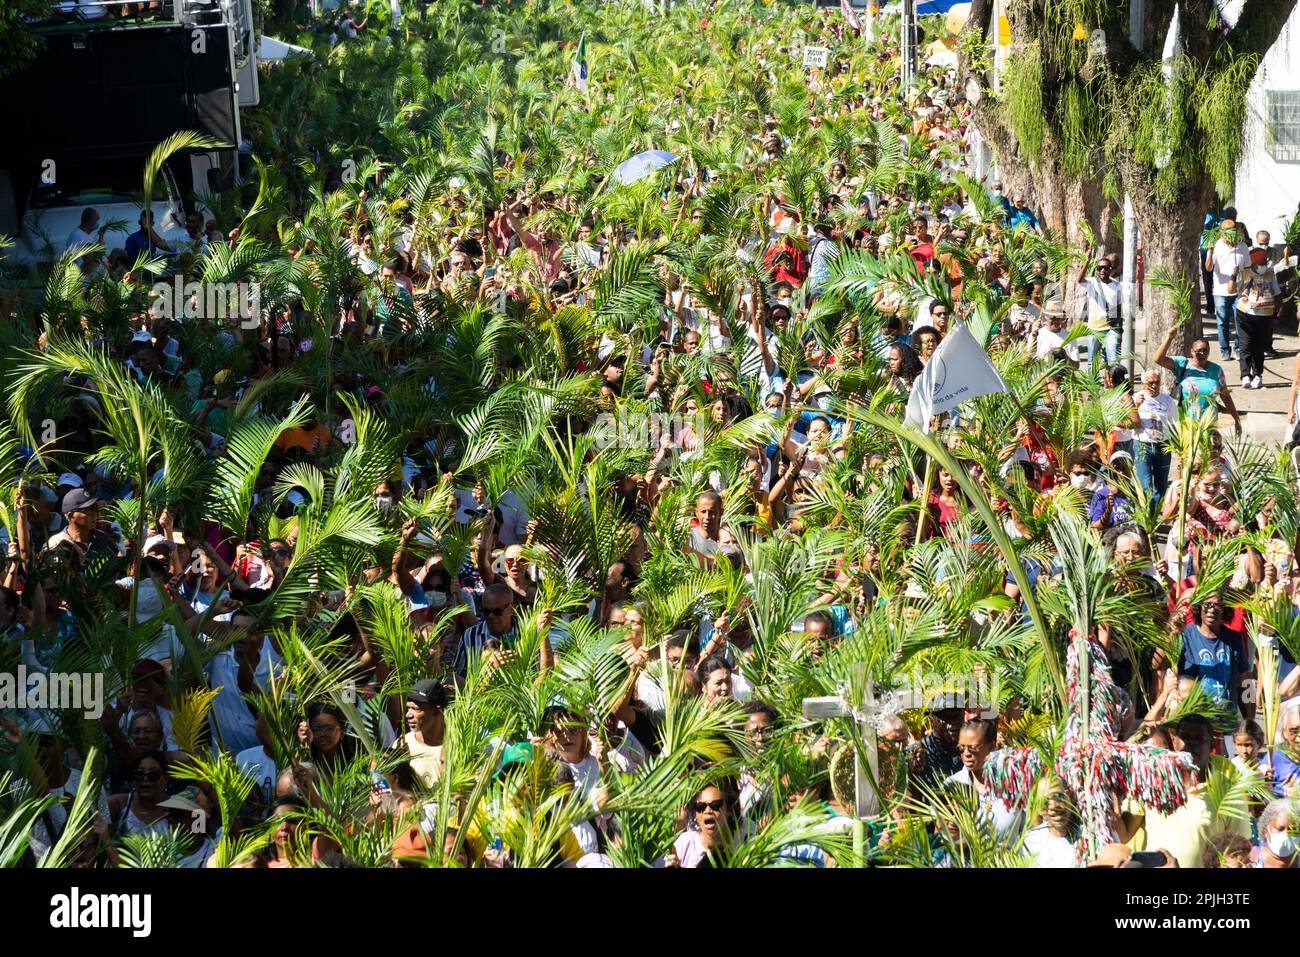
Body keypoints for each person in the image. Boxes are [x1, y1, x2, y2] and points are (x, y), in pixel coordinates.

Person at [1152, 326, 1243, 435]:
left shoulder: (1217, 370)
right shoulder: (1182, 364)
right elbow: (1158, 359)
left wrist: (1236, 419)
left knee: (1209, 452)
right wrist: (1170, 337)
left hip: (1209, 424)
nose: (1202, 354)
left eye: (1206, 351)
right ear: (1191, 351)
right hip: (1186, 425)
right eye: (1198, 351)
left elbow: (1225, 396)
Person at [1234, 245, 1281, 389]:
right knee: (1245, 345)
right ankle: (1245, 375)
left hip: (1265, 316)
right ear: (1253, 263)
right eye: (1261, 264)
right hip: (1245, 314)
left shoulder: (1270, 274)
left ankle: (1258, 375)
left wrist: (1278, 309)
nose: (1263, 266)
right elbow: (1233, 290)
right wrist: (1233, 275)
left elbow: (1277, 293)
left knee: (1259, 347)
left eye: (1265, 263)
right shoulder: (1245, 273)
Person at [1205, 219, 1248, 362]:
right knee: (1222, 322)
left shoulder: (1242, 246)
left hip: (1239, 291)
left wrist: (1245, 288)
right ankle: (1224, 349)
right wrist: (1210, 253)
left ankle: (1237, 349)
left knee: (1239, 321)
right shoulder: (1217, 245)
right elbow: (1208, 268)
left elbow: (1247, 268)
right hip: (1220, 290)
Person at [1134, 368, 1176, 500]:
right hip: (1142, 445)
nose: (1154, 386)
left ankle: (1153, 517)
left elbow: (1174, 424)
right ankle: (1147, 517)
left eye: (1157, 382)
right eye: (1150, 383)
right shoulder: (1135, 398)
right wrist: (1135, 406)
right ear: (1143, 383)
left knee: (1161, 486)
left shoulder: (1168, 400)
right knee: (1146, 486)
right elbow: (1125, 420)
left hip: (1163, 445)